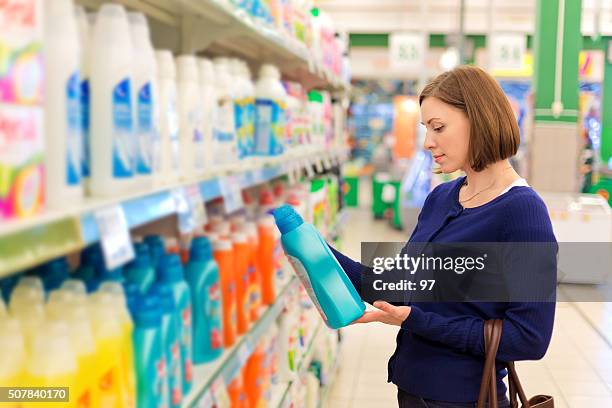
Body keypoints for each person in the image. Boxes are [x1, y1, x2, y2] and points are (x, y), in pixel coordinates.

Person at [329, 66, 556, 408]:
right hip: (410, 390)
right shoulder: (441, 198)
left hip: (465, 398)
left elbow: (529, 339)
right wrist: (318, 252)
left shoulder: (523, 212)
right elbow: (401, 287)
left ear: (479, 120)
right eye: (426, 128)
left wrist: (415, 320)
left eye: (438, 127)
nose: (427, 142)